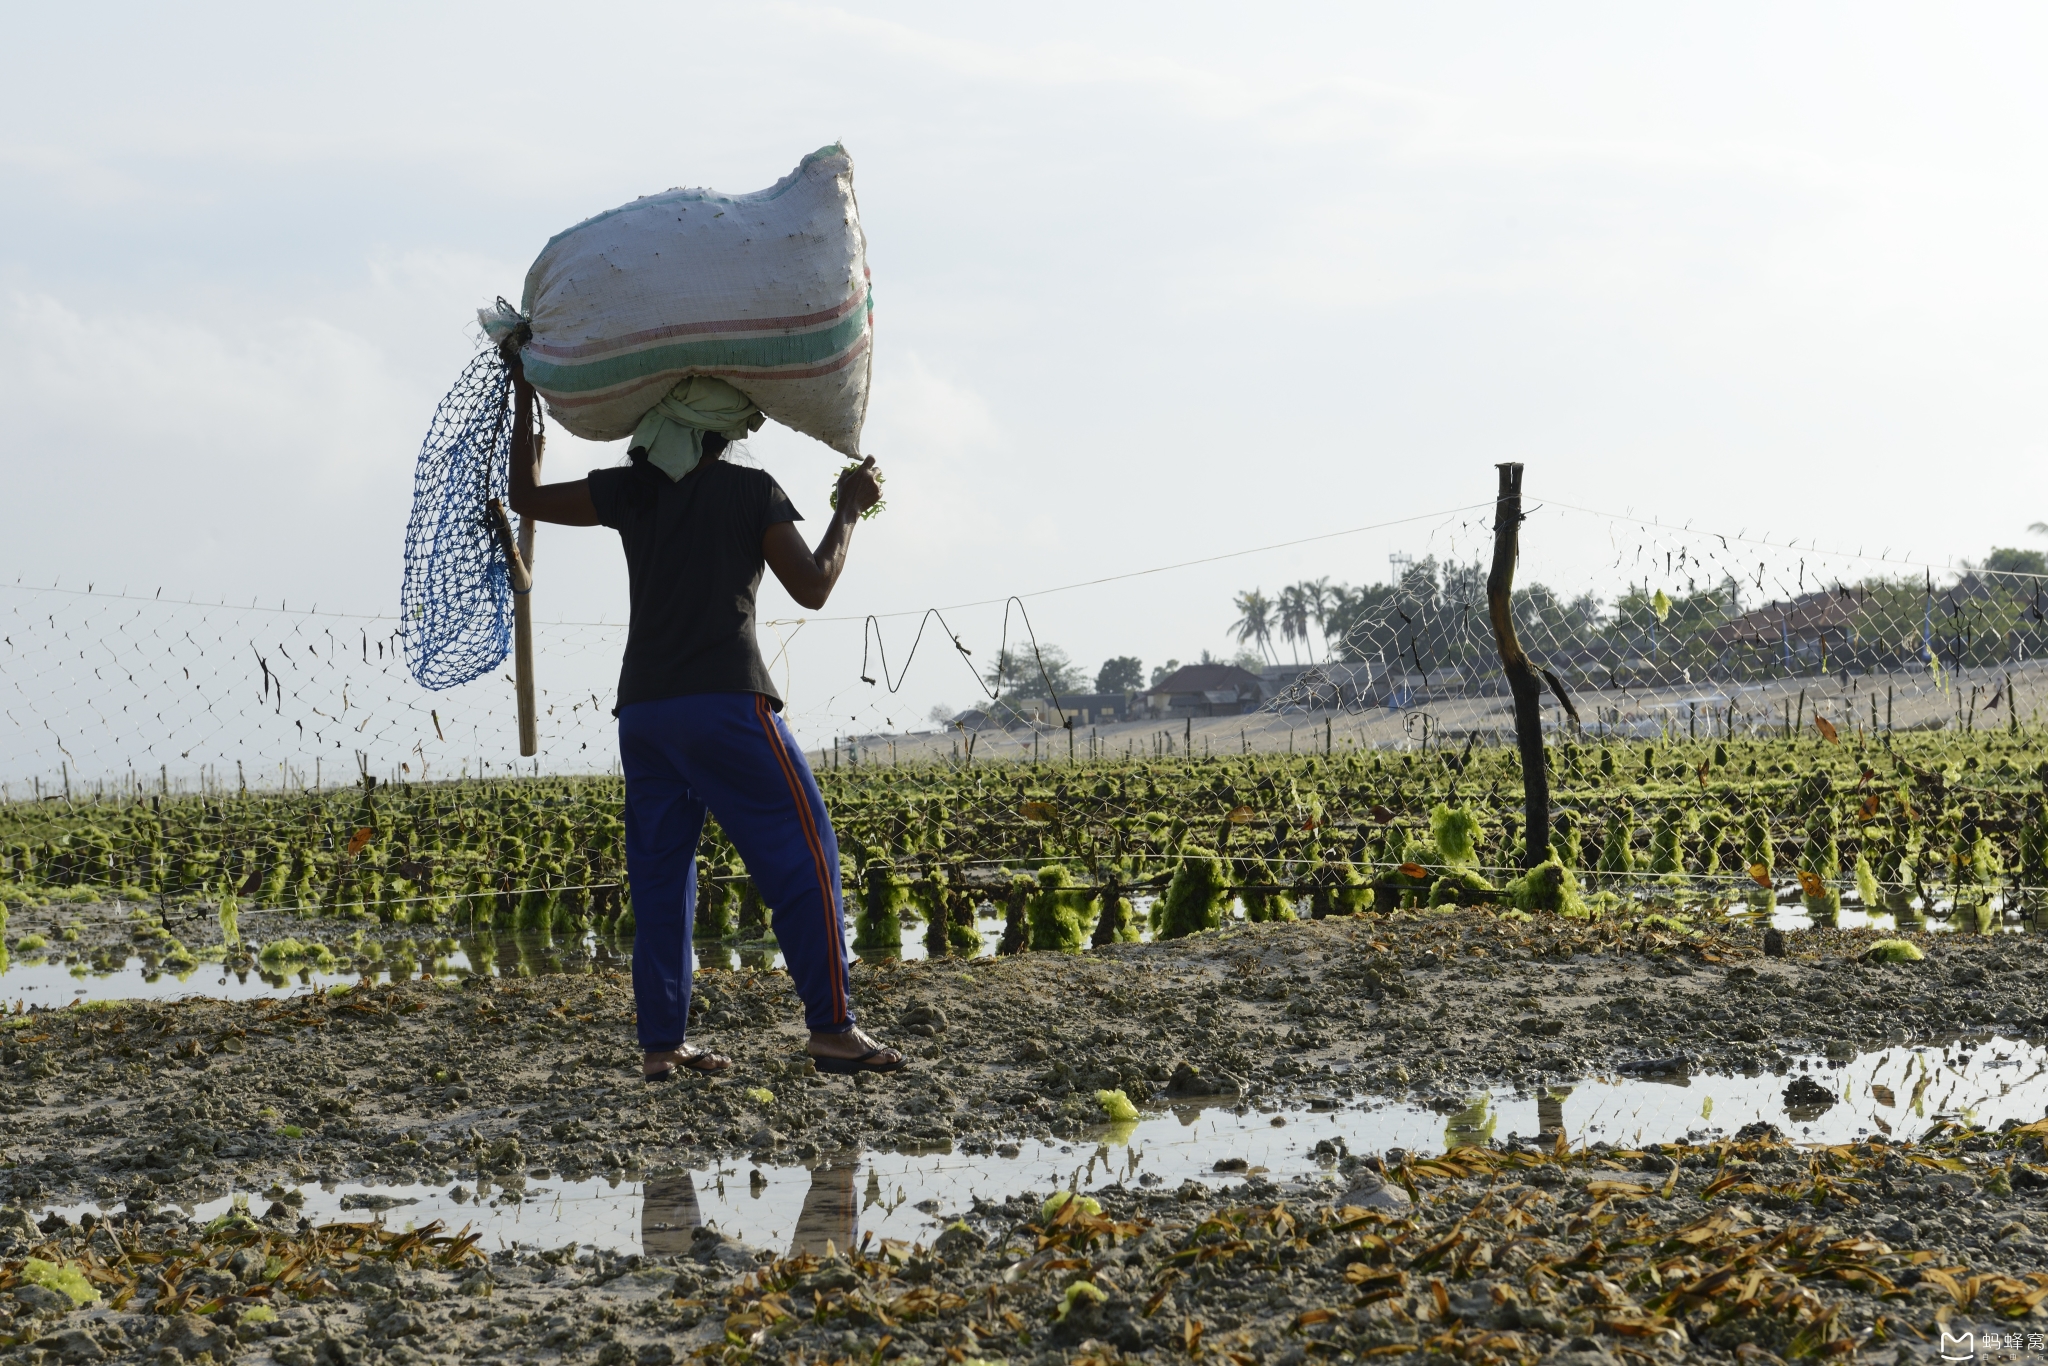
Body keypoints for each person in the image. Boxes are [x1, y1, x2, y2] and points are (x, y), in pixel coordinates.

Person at [504, 356, 903, 1082]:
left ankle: (663, 1047)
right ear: (725, 431)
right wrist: (849, 506)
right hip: (727, 705)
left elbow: (523, 495)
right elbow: (811, 586)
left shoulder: (629, 492)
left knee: (661, 880)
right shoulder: (751, 492)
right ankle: (833, 1031)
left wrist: (527, 395)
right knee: (804, 854)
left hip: (646, 715)